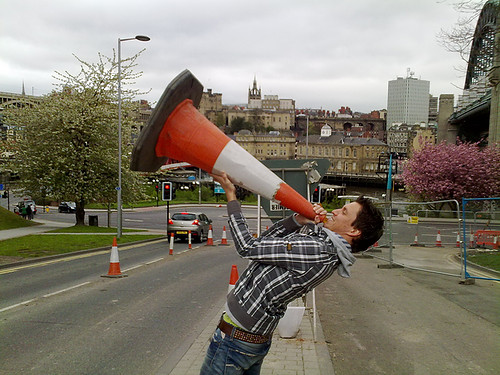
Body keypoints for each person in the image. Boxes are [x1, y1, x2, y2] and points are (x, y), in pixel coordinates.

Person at [200, 171, 384, 375]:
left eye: (344, 212)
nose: (335, 211)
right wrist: (299, 219)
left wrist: (231, 196)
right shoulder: (327, 249)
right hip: (251, 339)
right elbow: (264, 242)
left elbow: (247, 246)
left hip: (236, 340)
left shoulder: (318, 250)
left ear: (353, 231)